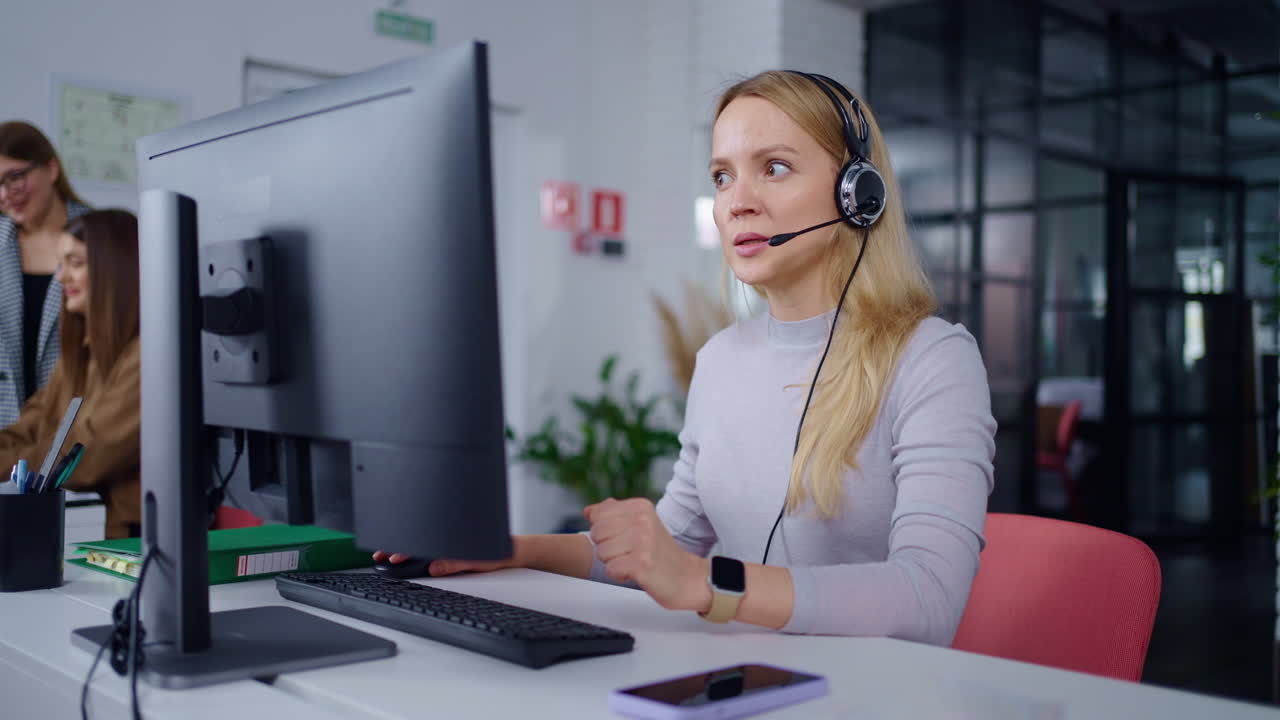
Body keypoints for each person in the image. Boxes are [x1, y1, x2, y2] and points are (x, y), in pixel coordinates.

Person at [376, 71, 996, 646]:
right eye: (722, 176)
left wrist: (706, 583)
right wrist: (512, 549)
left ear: (857, 194)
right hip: (740, 679)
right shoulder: (721, 359)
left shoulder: (932, 360)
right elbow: (673, 544)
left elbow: (928, 598)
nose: (736, 202)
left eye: (774, 168)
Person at [0, 209, 140, 539]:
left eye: (76, 263)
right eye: (61, 264)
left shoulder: (148, 356)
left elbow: (85, 455)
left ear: (115, 271)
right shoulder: (82, 353)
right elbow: (28, 428)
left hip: (134, 542)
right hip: (97, 539)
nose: (61, 278)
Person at [0, 121, 91, 427]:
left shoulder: (99, 237)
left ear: (51, 169)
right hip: (8, 433)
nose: (6, 194)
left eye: (15, 177)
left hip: (75, 427)